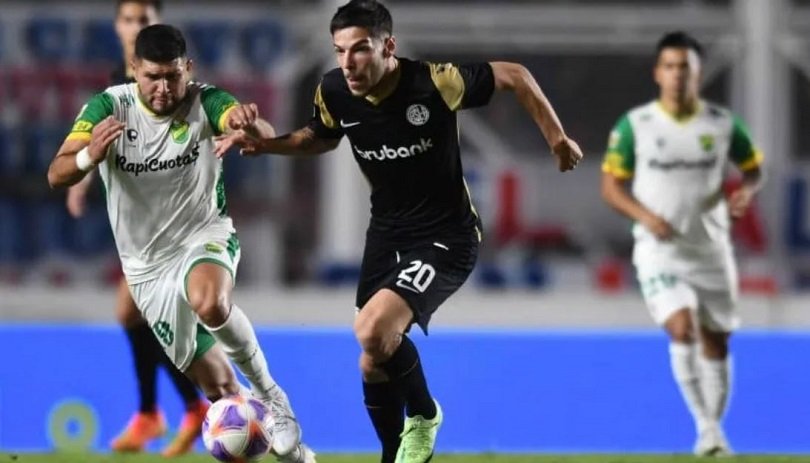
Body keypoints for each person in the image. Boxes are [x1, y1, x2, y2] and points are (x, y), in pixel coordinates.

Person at [215, 1, 583, 461]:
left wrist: (556, 138)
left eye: (360, 49)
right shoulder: (334, 90)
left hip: (447, 236)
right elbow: (320, 137)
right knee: (373, 360)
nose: (348, 63)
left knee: (372, 331)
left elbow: (515, 75)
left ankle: (424, 414)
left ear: (388, 46)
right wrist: (267, 145)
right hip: (387, 235)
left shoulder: (434, 82)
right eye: (339, 51)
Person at [48, 24, 314, 463]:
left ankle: (271, 395)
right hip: (145, 268)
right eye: (153, 76)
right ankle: (296, 456)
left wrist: (251, 125)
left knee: (210, 303)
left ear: (187, 68)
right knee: (222, 392)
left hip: (203, 235)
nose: (163, 88)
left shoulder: (205, 101)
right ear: (134, 69)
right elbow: (56, 173)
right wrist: (88, 155)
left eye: (172, 76)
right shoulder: (108, 108)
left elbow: (252, 128)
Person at [601, 31, 764, 456]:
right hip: (659, 251)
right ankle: (707, 429)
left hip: (711, 248)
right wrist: (645, 217)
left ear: (698, 73)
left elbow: (753, 169)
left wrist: (746, 192)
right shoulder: (636, 125)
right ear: (658, 73)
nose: (677, 75)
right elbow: (611, 186)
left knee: (717, 342)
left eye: (685, 67)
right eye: (670, 67)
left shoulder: (722, 124)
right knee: (682, 327)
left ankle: (713, 431)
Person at [65, 1, 209, 456]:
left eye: (143, 19)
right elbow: (100, 136)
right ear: (116, 27)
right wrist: (82, 178)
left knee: (139, 312)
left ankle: (185, 407)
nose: (134, 27)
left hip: (177, 218)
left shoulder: (172, 81)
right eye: (128, 20)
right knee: (133, 315)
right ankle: (173, 409)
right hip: (139, 216)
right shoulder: (116, 84)